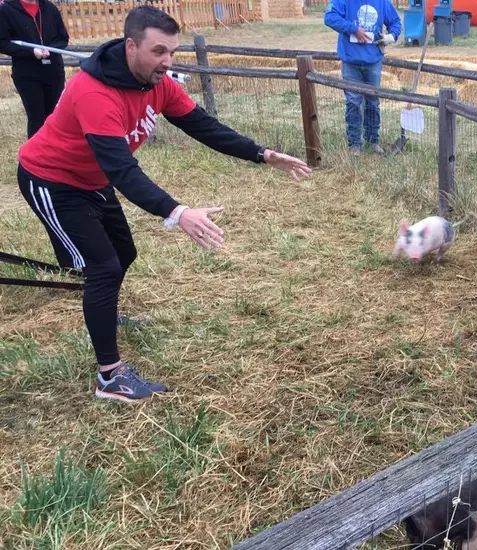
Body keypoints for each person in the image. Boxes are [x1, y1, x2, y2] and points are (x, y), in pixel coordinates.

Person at [15, 5, 311, 403]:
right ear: (131, 45)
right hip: (52, 180)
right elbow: (123, 170)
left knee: (124, 252)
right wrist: (177, 212)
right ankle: (110, 377)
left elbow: (203, 125)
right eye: (159, 52)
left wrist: (262, 154)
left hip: (92, 179)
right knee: (103, 266)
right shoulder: (93, 92)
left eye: (172, 52)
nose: (167, 61)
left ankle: (99, 318)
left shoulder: (159, 84)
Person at [324, 0, 401, 155]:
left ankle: (373, 141)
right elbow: (330, 17)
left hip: (373, 61)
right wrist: (353, 29)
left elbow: (396, 22)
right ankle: (354, 144)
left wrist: (391, 37)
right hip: (351, 61)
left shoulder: (382, 2)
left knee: (373, 102)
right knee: (353, 102)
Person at [0, 0, 70, 138]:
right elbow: (3, 43)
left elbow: (63, 38)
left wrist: (51, 49)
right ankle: (35, 157)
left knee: (55, 117)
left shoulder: (50, 9)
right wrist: (31, 51)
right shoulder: (6, 11)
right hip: (27, 75)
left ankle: (56, 154)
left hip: (53, 73)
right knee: (36, 119)